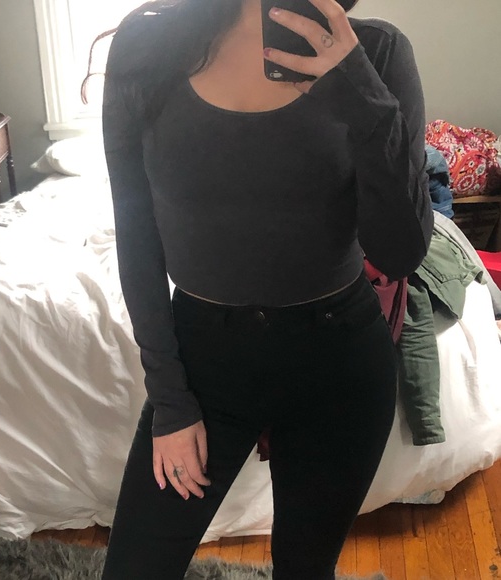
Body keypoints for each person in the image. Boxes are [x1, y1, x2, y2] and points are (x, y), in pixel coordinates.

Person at [100, 0, 433, 578]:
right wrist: (171, 402)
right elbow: (136, 235)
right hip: (204, 363)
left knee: (306, 570)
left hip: (340, 364)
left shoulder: (376, 53)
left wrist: (360, 88)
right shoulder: (147, 46)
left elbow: (402, 251)